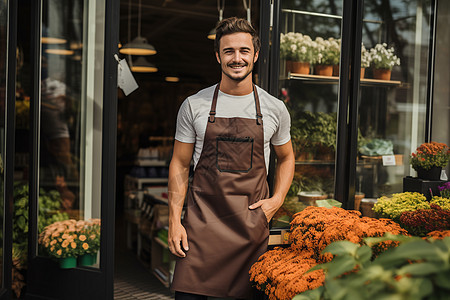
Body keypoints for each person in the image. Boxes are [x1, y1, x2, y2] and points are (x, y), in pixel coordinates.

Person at [168, 17, 295, 299]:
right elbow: (180, 163)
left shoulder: (275, 109)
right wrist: (175, 221)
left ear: (255, 55)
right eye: (229, 51)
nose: (237, 58)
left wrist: (277, 200)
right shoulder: (194, 105)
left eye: (244, 51)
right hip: (200, 232)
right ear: (218, 56)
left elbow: (286, 158)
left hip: (251, 233)